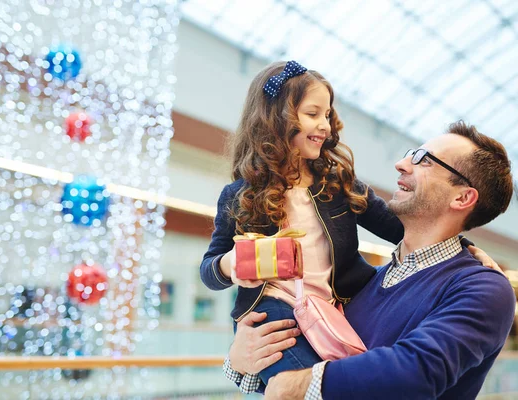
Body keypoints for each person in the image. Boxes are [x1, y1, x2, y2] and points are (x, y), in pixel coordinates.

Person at [199, 61, 496, 388]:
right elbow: (209, 268)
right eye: (312, 114)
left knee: (331, 384)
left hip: (331, 312)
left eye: (327, 115)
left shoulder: (339, 183)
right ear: (276, 118)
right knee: (294, 384)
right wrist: (229, 265)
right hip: (275, 313)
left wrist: (464, 249)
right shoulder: (239, 195)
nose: (324, 125)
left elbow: (400, 226)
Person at [225, 121, 516, 399]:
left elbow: (415, 372)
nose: (401, 164)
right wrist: (241, 360)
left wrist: (290, 387)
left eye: (425, 160)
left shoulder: (484, 289)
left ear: (463, 198)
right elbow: (307, 367)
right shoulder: (361, 282)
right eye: (411, 155)